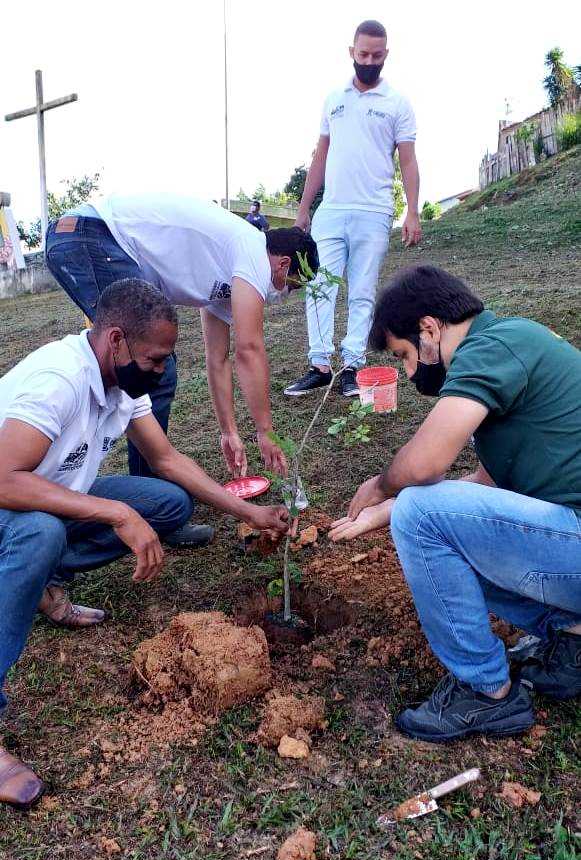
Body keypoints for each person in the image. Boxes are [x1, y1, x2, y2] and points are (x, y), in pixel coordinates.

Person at [0, 279, 289, 808]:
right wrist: (114, 511)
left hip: (45, 499)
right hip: (10, 504)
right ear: (116, 341)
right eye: (155, 359)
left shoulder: (122, 387)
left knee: (167, 503)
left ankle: (42, 579)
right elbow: (3, 478)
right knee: (40, 531)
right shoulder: (57, 381)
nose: (160, 371)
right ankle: (30, 569)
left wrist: (248, 511)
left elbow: (168, 460)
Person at [331, 265, 581, 742]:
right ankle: (572, 641)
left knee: (420, 512)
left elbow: (426, 465)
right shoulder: (511, 346)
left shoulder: (489, 349)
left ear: (430, 329)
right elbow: (487, 487)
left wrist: (385, 489)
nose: (409, 372)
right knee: (426, 516)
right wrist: (384, 515)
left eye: (406, 355)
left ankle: (484, 690)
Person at [45, 195, 318, 544]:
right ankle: (148, 504)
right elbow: (249, 349)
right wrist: (266, 432)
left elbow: (217, 357)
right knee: (151, 368)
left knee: (148, 369)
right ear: (281, 265)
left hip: (87, 238)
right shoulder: (251, 249)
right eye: (293, 285)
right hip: (92, 236)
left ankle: (148, 498)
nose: (287, 294)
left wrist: (228, 431)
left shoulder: (226, 272)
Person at [285, 19, 422, 399]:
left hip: (374, 211)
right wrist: (304, 208)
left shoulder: (397, 104)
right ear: (352, 52)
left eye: (377, 56)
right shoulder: (334, 99)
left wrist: (412, 210)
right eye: (363, 54)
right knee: (318, 286)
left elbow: (408, 161)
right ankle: (319, 365)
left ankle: (352, 365)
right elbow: (321, 155)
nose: (369, 61)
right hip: (332, 209)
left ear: (386, 55)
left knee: (361, 291)